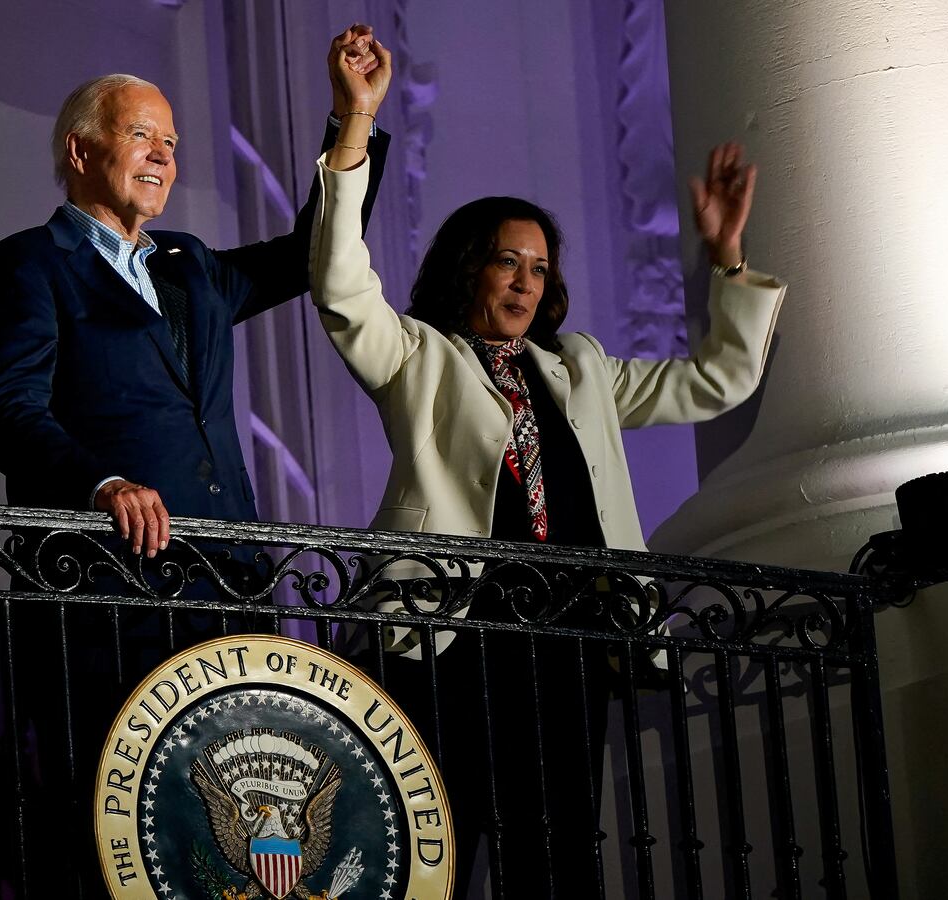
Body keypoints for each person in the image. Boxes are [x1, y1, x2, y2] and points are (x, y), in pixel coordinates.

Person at [311, 41, 786, 896]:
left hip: (569, 649)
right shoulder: (419, 358)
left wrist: (727, 258)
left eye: (539, 267)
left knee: (558, 859)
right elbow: (342, 285)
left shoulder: (581, 369)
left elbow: (721, 378)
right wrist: (357, 122)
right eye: (507, 262)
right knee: (434, 859)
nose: (526, 282)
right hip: (449, 640)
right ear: (469, 268)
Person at [0, 28, 391, 894]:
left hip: (227, 586)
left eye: (170, 142)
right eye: (141, 136)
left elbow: (309, 256)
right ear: (82, 150)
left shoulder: (189, 265)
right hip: (108, 595)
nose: (162, 155)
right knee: (123, 835)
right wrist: (104, 482)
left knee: (228, 829)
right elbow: (11, 413)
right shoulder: (26, 267)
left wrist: (354, 120)